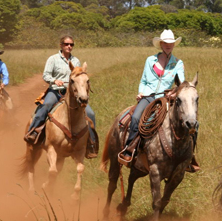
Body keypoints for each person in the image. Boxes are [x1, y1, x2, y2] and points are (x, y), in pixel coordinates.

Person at [118, 29, 200, 172]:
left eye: (171, 43)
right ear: (161, 44)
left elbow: (180, 83)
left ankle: (189, 157)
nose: (168, 45)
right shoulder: (150, 60)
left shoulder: (178, 63)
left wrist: (175, 93)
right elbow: (143, 80)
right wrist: (141, 92)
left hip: (166, 97)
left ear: (174, 45)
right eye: (166, 43)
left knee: (191, 121)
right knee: (137, 117)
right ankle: (129, 150)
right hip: (148, 96)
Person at [24, 35, 99, 159]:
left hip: (73, 94)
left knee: (90, 113)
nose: (69, 46)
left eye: (71, 44)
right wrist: (54, 81)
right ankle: (33, 133)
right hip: (56, 91)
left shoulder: (76, 61)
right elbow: (46, 75)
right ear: (61, 45)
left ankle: (91, 143)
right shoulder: (53, 59)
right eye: (66, 44)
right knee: (46, 106)